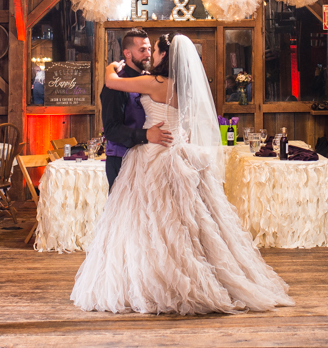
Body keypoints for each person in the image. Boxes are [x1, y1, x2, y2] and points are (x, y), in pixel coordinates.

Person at [73, 34, 293, 314]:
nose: (151, 54)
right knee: (184, 220)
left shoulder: (154, 82)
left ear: (166, 56)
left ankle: (155, 277)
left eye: (153, 50)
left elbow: (111, 82)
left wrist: (109, 67)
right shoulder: (183, 85)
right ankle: (188, 272)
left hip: (154, 153)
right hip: (177, 149)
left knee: (150, 220)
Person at [99, 28, 173, 189]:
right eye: (141, 50)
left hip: (147, 158)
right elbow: (111, 129)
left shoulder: (151, 79)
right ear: (127, 54)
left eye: (149, 49)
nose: (147, 54)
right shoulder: (116, 84)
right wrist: (145, 135)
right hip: (121, 159)